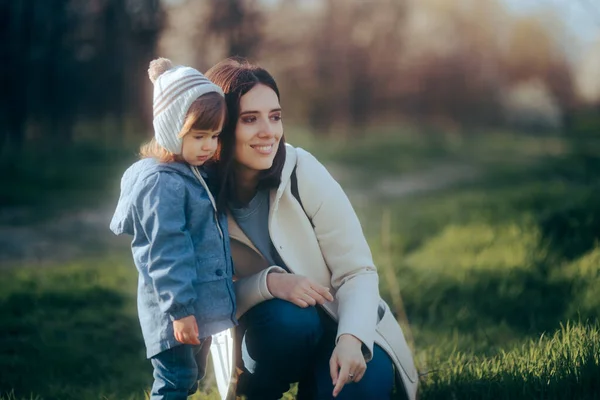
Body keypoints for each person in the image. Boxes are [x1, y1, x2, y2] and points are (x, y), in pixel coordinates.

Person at [205, 57, 418, 400]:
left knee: (361, 392)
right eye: (249, 119)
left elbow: (358, 271)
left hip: (344, 325)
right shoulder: (199, 197)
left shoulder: (302, 170)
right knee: (289, 322)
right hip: (273, 333)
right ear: (220, 124)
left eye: (275, 116)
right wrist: (270, 283)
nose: (268, 131)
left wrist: (351, 339)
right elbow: (207, 297)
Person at [109, 58, 236, 400]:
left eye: (214, 135)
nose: (209, 145)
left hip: (195, 309)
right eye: (199, 136)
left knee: (188, 380)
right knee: (176, 382)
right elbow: (166, 250)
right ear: (170, 129)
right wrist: (180, 312)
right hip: (175, 312)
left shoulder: (191, 173)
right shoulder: (162, 184)